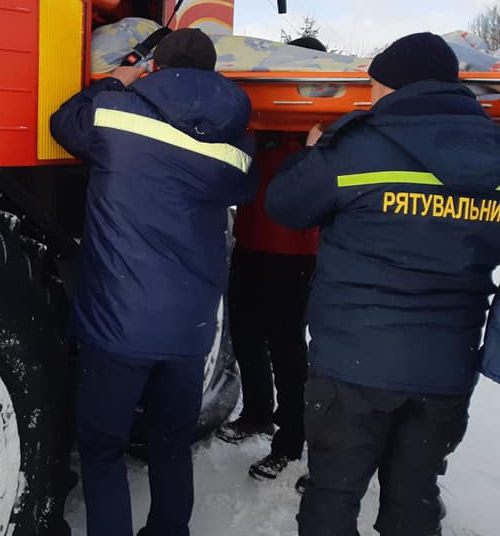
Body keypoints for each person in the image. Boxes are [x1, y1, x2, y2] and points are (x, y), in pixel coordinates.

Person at [265, 32, 500, 536]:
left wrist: (308, 156)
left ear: (393, 88)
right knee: (413, 502)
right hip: (445, 370)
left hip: (353, 364)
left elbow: (286, 207)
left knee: (333, 496)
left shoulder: (357, 145)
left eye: (372, 86)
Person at [50, 28, 255, 536]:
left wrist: (115, 83)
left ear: (155, 68)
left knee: (101, 447)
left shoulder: (118, 114)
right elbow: (244, 185)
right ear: (212, 73)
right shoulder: (238, 137)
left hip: (118, 325)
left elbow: (62, 123)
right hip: (190, 329)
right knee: (169, 443)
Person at [216, 36, 326, 481]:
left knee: (287, 351)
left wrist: (317, 146)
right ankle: (258, 412)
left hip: (297, 255)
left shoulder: (323, 125)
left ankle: (290, 439)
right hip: (251, 245)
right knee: (244, 336)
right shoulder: (263, 116)